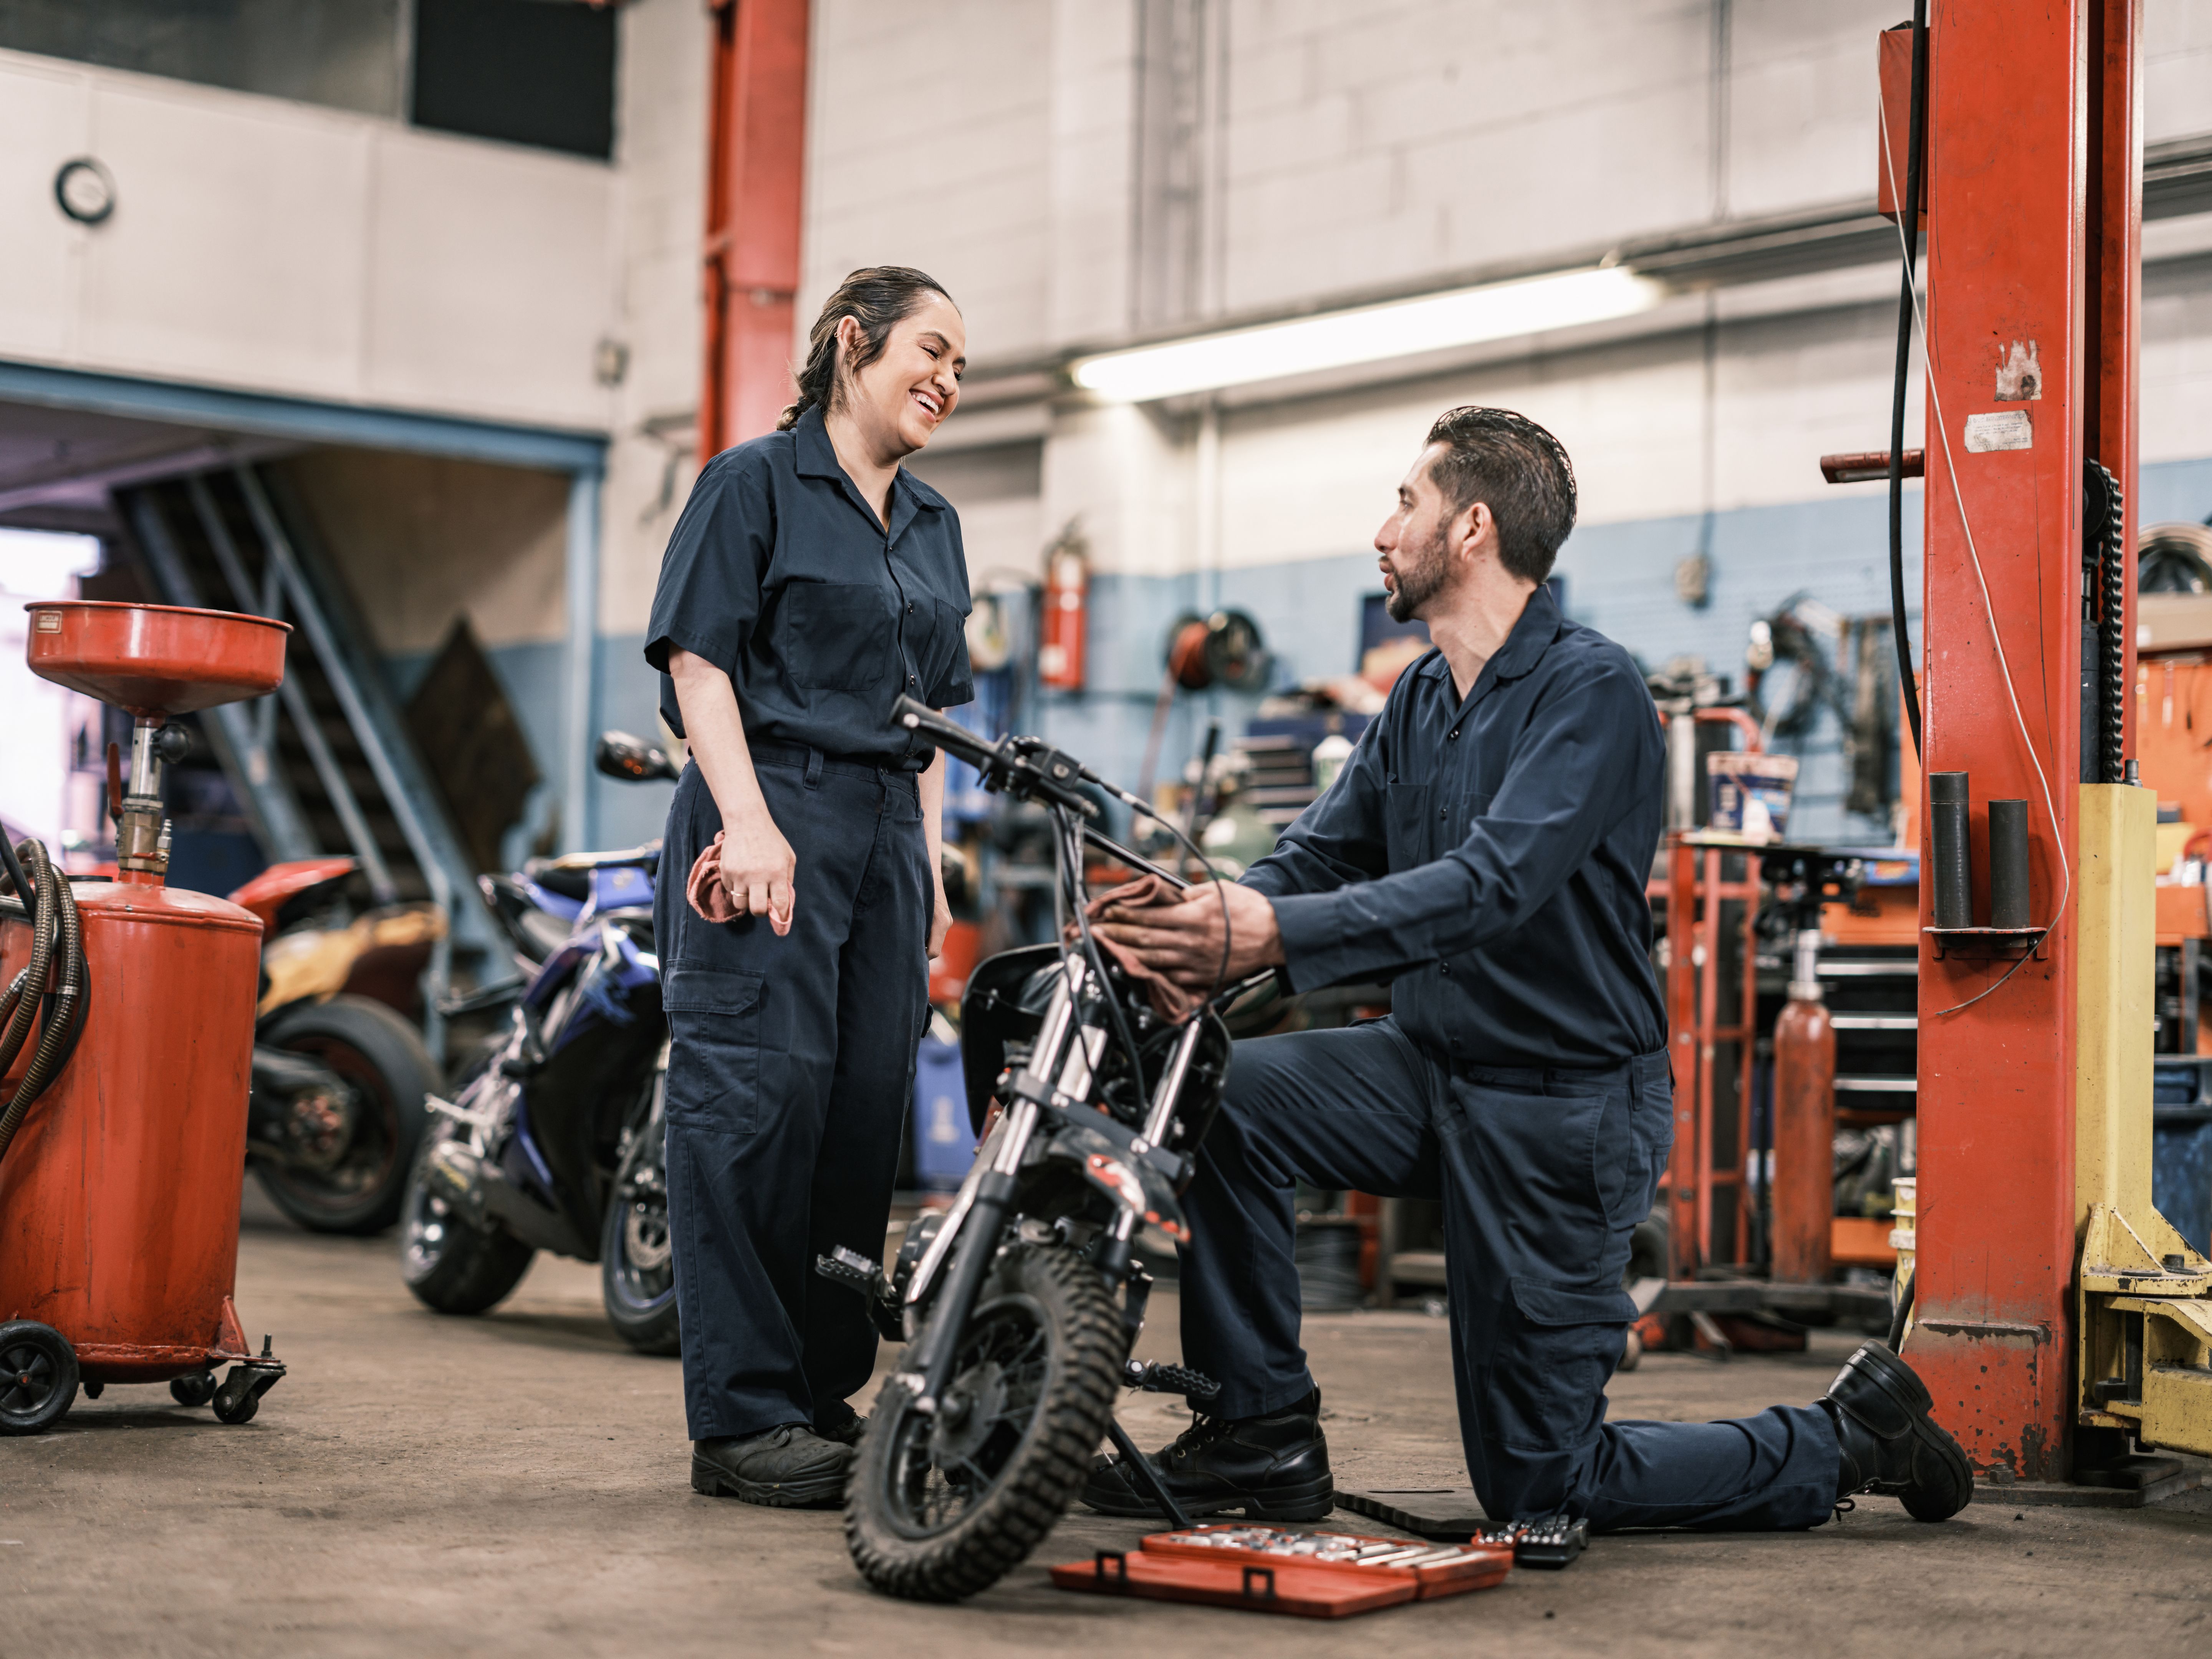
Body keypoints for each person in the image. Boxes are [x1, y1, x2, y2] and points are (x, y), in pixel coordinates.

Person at [1084, 406, 1970, 1531]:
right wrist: (1214, 911)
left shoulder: (1591, 694)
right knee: (1222, 1100)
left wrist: (1278, 939)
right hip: (1427, 1065)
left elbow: (1491, 886)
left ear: (1471, 529)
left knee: (1543, 1482)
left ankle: (1843, 1441)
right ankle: (1254, 1437)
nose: (1381, 531)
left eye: (1405, 503)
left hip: (1562, 1106)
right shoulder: (1418, 699)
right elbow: (1322, 850)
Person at [644, 267, 972, 1507]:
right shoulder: (754, 484)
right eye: (929, 349)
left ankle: (821, 1397)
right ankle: (739, 1419)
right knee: (752, 1105)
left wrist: (928, 866)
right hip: (767, 806)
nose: (946, 377)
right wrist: (748, 822)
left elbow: (931, 717)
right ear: (853, 342)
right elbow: (698, 661)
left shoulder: (935, 523)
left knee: (858, 1115)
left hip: (887, 832)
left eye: (961, 365)